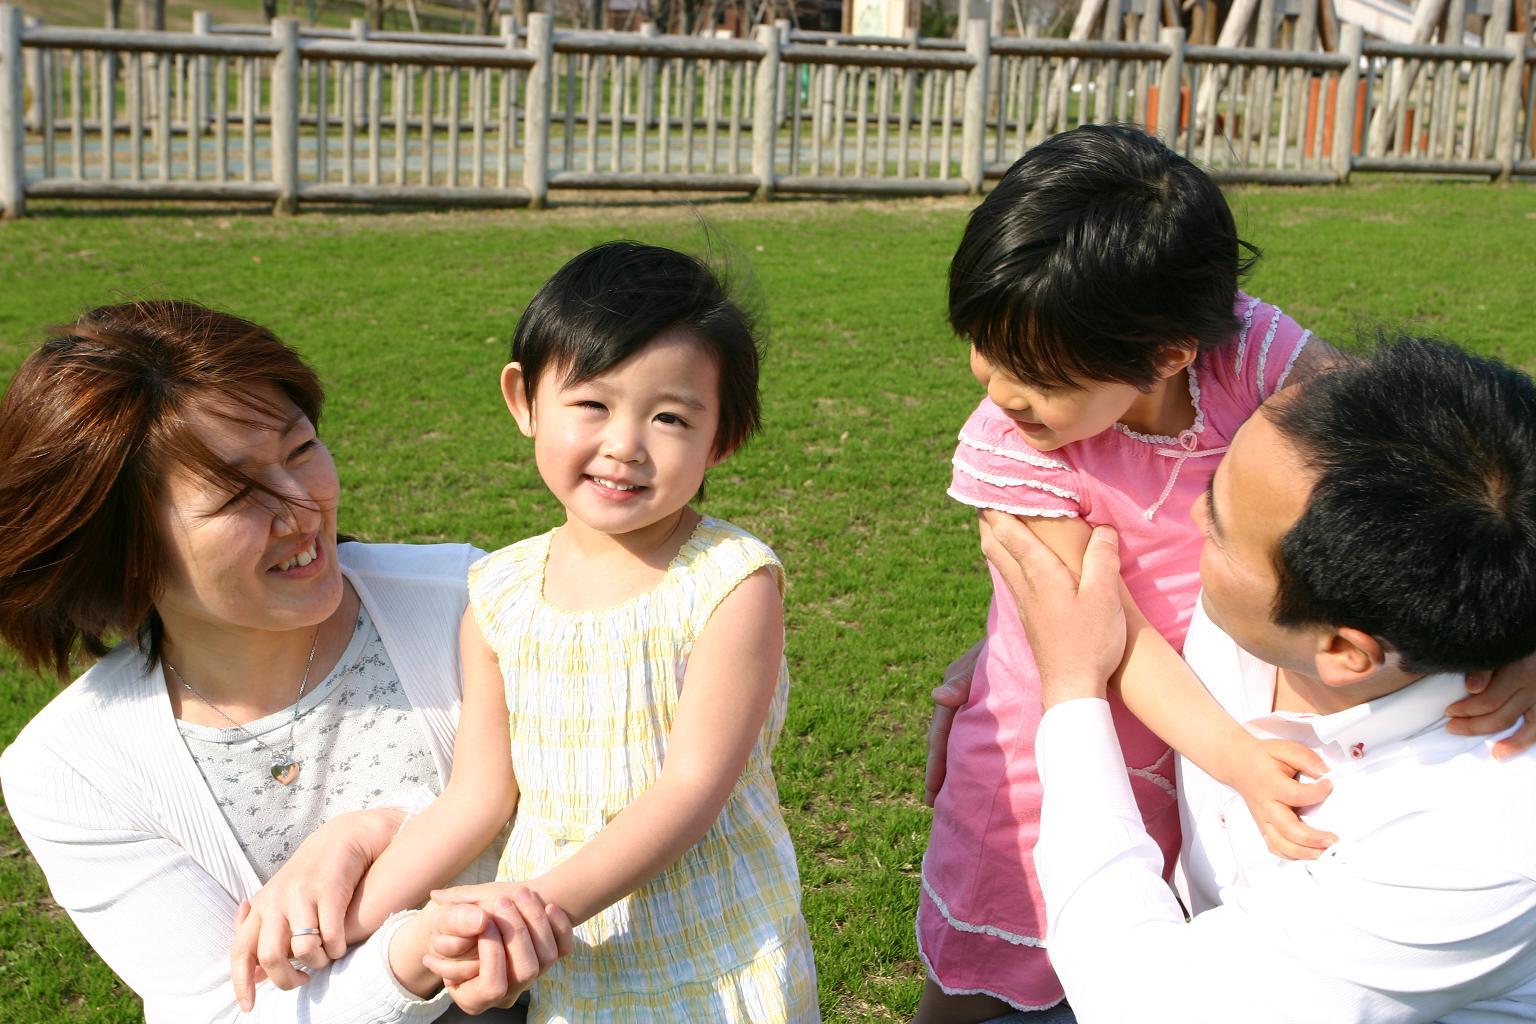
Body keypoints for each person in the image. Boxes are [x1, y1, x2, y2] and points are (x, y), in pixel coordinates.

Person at [916, 124, 1536, 1023]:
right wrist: (1236, 756)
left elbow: (1399, 455)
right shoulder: (1013, 447)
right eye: (982, 345)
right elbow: (1094, 637)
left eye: (1035, 372)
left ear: (1167, 352)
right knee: (1001, 928)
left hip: (1206, 706)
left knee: (1159, 913)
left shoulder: (1253, 357)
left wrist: (1507, 620)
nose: (995, 387)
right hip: (1066, 704)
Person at [237, 242, 820, 1022]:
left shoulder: (730, 582)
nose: (625, 444)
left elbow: (689, 794)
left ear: (724, 438)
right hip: (569, 968)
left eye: (671, 416)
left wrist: (535, 908)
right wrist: (343, 924)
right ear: (525, 400)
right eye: (593, 404)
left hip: (707, 953)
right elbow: (477, 797)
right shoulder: (500, 593)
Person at [0, 300, 569, 1023]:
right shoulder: (72, 769)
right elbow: (226, 1012)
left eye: (301, 450)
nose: (302, 506)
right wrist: (416, 950)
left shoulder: (468, 599)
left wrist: (374, 832)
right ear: (122, 550)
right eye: (240, 492)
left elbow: (610, 796)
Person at [985, 335, 1536, 1022]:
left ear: (1344, 652)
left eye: (1218, 532)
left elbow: (1142, 1002)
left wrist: (1072, 689)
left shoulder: (1472, 847)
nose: (1193, 518)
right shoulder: (1362, 588)